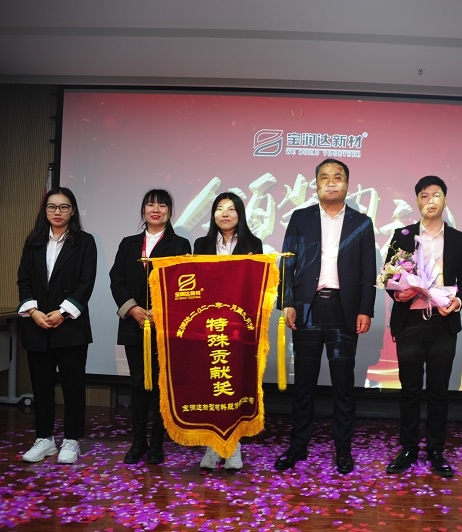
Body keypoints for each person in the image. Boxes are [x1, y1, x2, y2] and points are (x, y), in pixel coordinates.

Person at [275, 158, 377, 475]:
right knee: (303, 383)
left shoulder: (362, 222)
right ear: (316, 184)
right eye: (324, 177)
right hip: (306, 307)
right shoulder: (300, 218)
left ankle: (343, 450)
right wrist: (287, 302)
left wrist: (365, 309)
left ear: (348, 184)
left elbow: (368, 271)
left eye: (338, 176)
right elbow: (287, 262)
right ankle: (297, 446)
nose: (331, 182)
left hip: (344, 309)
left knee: (343, 384)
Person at [384, 175, 462, 478]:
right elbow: (389, 277)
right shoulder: (402, 235)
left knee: (438, 391)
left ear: (445, 199)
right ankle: (408, 449)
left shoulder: (458, 238)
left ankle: (436, 451)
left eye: (436, 195)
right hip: (410, 321)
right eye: (424, 195)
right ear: (417, 201)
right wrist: (398, 293)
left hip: (443, 321)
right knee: (409, 390)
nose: (430, 200)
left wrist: (457, 301)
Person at [109, 189, 191, 465]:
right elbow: (116, 279)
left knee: (160, 385)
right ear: (143, 210)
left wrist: (162, 311)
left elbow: (184, 285)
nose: (156, 209)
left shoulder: (180, 244)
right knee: (137, 383)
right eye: (150, 204)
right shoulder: (128, 244)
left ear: (170, 211)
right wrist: (132, 308)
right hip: (134, 324)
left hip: (164, 327)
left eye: (162, 205)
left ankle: (157, 443)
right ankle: (138, 442)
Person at [17, 187, 97, 464]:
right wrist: (33, 311)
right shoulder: (34, 241)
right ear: (45, 210)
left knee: (73, 386)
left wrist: (63, 312)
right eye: (52, 207)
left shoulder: (84, 242)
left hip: (70, 325)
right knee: (42, 386)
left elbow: (86, 282)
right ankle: (45, 439)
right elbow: (24, 280)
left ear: (72, 211)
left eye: (64, 207)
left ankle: (72, 440)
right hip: (38, 324)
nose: (57, 212)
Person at [193, 192, 263, 470]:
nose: (225, 213)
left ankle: (233, 446)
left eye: (231, 209)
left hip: (239, 326)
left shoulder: (253, 244)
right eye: (219, 208)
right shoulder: (202, 244)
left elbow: (259, 285)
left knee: (235, 385)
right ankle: (213, 446)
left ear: (240, 214)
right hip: (209, 326)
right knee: (211, 385)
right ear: (213, 215)